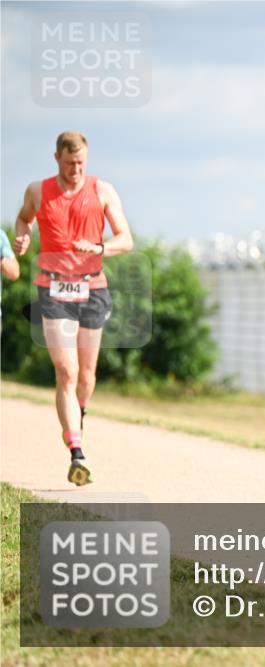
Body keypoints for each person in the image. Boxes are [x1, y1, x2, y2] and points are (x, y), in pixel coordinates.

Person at [13, 130, 134, 486]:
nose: (76, 169)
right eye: (69, 164)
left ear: (87, 158)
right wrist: (23, 235)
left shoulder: (103, 190)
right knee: (66, 371)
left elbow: (125, 239)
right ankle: (76, 451)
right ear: (57, 160)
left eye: (81, 162)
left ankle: (77, 413)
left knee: (85, 375)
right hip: (52, 288)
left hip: (92, 288)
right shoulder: (38, 190)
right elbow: (24, 219)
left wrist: (99, 249)